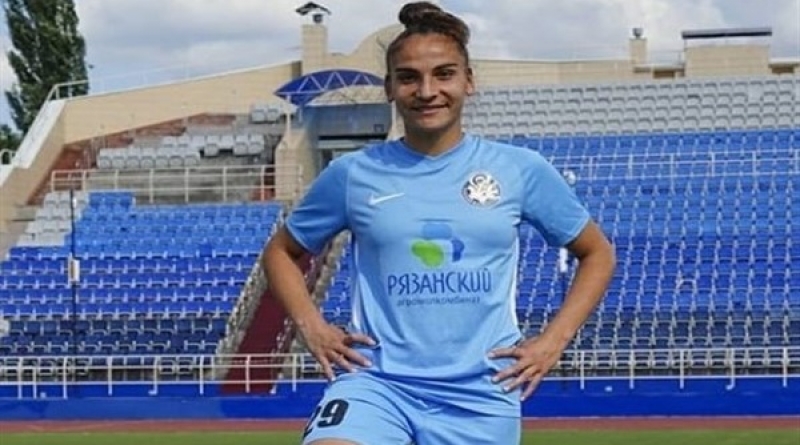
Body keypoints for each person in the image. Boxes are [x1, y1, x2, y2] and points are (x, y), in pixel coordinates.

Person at [262, 2, 616, 444]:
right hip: (377, 383)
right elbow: (281, 252)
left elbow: (597, 253)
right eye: (409, 77)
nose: (427, 91)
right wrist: (311, 327)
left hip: (481, 392)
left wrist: (553, 341)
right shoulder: (353, 174)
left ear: (469, 81)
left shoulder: (519, 169)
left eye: (444, 74)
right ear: (390, 88)